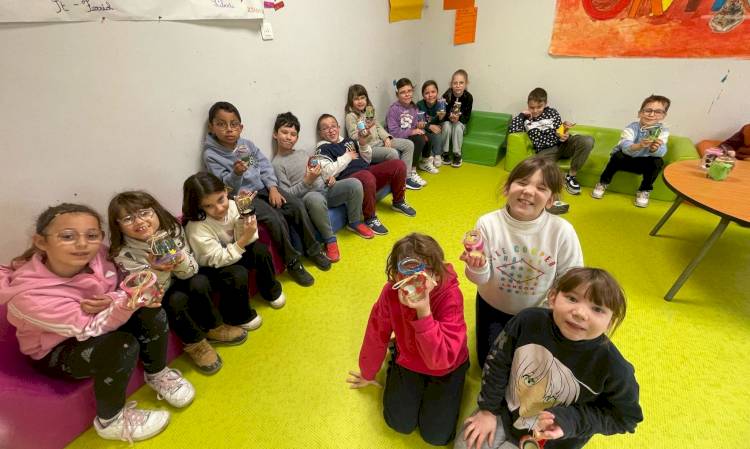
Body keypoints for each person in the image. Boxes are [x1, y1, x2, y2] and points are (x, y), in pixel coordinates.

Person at [0, 203, 195, 443]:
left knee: (152, 313)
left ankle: (157, 373)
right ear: (41, 242)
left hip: (105, 318)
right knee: (121, 345)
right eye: (67, 236)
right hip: (58, 348)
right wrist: (127, 300)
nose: (82, 244)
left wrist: (119, 298)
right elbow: (89, 327)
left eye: (91, 235)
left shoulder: (100, 254)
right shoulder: (29, 296)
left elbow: (121, 285)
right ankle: (110, 421)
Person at [455, 268, 643, 449]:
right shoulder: (528, 321)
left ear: (610, 321)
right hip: (501, 413)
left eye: (597, 309)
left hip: (551, 442)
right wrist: (488, 410)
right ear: (552, 297)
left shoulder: (614, 367)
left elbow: (625, 418)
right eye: (571, 298)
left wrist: (570, 420)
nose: (580, 313)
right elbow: (497, 363)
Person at [347, 233, 469, 446]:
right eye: (408, 274)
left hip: (446, 364)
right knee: (398, 423)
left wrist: (424, 310)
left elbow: (441, 359)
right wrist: (368, 371)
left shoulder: (450, 296)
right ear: (395, 276)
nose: (417, 283)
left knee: (437, 437)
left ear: (437, 275)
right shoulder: (390, 294)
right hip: (410, 359)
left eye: (426, 273)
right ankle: (396, 355)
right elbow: (376, 332)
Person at [461, 156, 583, 368]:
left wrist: (553, 309)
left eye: (541, 188)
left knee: (526, 366)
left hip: (538, 311)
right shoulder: (488, 223)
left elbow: (572, 277)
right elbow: (479, 278)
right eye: (522, 182)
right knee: (487, 364)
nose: (528, 191)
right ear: (508, 188)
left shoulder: (561, 231)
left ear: (551, 200)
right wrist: (476, 266)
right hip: (492, 307)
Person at [109, 191, 248, 375]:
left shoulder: (172, 229)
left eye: (144, 213)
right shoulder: (123, 253)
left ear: (155, 211)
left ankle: (214, 327)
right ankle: (195, 344)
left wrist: (177, 257)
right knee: (175, 300)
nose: (139, 221)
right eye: (128, 218)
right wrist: (158, 270)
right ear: (118, 225)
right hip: (159, 294)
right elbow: (150, 294)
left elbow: (191, 270)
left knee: (199, 281)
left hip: (185, 275)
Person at [203, 101, 330, 287]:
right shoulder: (211, 155)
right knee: (274, 218)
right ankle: (292, 262)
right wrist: (236, 174)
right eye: (221, 124)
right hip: (243, 198)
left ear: (241, 127)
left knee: (296, 205)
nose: (229, 129)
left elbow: (264, 166)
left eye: (234, 124)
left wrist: (272, 187)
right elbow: (225, 188)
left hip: (263, 188)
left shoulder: (247, 146)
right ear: (211, 127)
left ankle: (314, 249)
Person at [182, 172, 286, 331]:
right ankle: (238, 316)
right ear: (198, 206)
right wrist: (243, 239)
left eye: (221, 199)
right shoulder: (196, 227)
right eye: (208, 206)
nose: (219, 208)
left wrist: (243, 218)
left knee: (260, 250)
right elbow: (216, 258)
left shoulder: (232, 205)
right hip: (213, 267)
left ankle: (271, 290)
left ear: (225, 191)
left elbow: (250, 239)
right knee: (237, 273)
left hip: (234, 250)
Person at [272, 112, 373, 262]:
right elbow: (287, 194)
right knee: (314, 198)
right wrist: (307, 181)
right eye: (284, 132)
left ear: (297, 138)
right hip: (310, 196)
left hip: (326, 188)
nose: (288, 137)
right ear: (275, 134)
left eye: (293, 134)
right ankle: (330, 240)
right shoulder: (277, 164)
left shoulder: (302, 153)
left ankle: (355, 221)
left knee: (355, 184)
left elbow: (318, 171)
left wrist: (328, 178)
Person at [316, 114, 416, 236]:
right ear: (320, 133)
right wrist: (347, 157)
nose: (331, 130)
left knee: (398, 165)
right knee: (366, 176)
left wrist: (362, 143)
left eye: (333, 126)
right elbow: (327, 172)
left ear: (338, 127)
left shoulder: (349, 141)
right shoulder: (322, 148)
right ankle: (370, 218)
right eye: (326, 128)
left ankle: (399, 201)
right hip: (349, 180)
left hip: (366, 171)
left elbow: (367, 159)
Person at [508, 87, 593, 195]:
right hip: (546, 151)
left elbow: (559, 129)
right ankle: (562, 177)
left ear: (546, 104)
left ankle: (571, 176)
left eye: (539, 107)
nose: (535, 110)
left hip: (563, 144)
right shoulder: (525, 118)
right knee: (536, 169)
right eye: (532, 107)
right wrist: (521, 115)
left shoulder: (552, 112)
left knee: (587, 141)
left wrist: (563, 133)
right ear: (527, 105)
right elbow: (513, 131)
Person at [591, 95, 672, 208]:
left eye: (658, 112)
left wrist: (654, 149)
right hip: (626, 159)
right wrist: (639, 145)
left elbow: (662, 151)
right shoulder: (632, 128)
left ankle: (644, 190)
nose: (651, 114)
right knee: (617, 155)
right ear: (640, 113)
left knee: (658, 161)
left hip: (644, 163)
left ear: (663, 115)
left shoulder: (663, 131)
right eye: (648, 110)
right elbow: (625, 146)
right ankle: (603, 183)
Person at [343, 84, 422, 190]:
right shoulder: (351, 116)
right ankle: (397, 180)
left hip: (380, 142)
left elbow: (379, 127)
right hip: (369, 148)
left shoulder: (369, 112)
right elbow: (353, 136)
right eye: (356, 99)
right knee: (393, 153)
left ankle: (406, 178)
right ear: (351, 101)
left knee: (409, 144)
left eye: (362, 98)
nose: (360, 101)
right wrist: (364, 129)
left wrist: (387, 138)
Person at [386, 78, 434, 180]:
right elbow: (393, 132)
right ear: (397, 95)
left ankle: (424, 162)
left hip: (410, 134)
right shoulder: (393, 109)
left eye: (409, 91)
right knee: (419, 139)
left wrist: (419, 125)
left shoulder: (414, 107)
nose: (407, 94)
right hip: (399, 137)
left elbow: (414, 123)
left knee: (428, 135)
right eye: (403, 92)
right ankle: (412, 170)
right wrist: (412, 131)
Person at [440, 69, 474, 168]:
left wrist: (459, 118)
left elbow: (467, 118)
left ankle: (457, 154)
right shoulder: (447, 95)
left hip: (460, 123)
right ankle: (445, 152)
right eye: (455, 83)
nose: (458, 85)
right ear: (451, 84)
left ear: (466, 84)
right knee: (446, 125)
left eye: (461, 83)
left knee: (457, 126)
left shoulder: (468, 97)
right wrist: (448, 116)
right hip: (448, 122)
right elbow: (442, 113)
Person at [417, 80, 447, 170]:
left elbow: (441, 123)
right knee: (422, 132)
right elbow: (418, 122)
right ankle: (429, 156)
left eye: (433, 92)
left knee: (438, 133)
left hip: (436, 130)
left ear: (437, 92)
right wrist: (429, 126)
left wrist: (441, 118)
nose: (430, 95)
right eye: (427, 93)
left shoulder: (441, 104)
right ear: (423, 95)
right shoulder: (419, 105)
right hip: (425, 128)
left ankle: (437, 155)